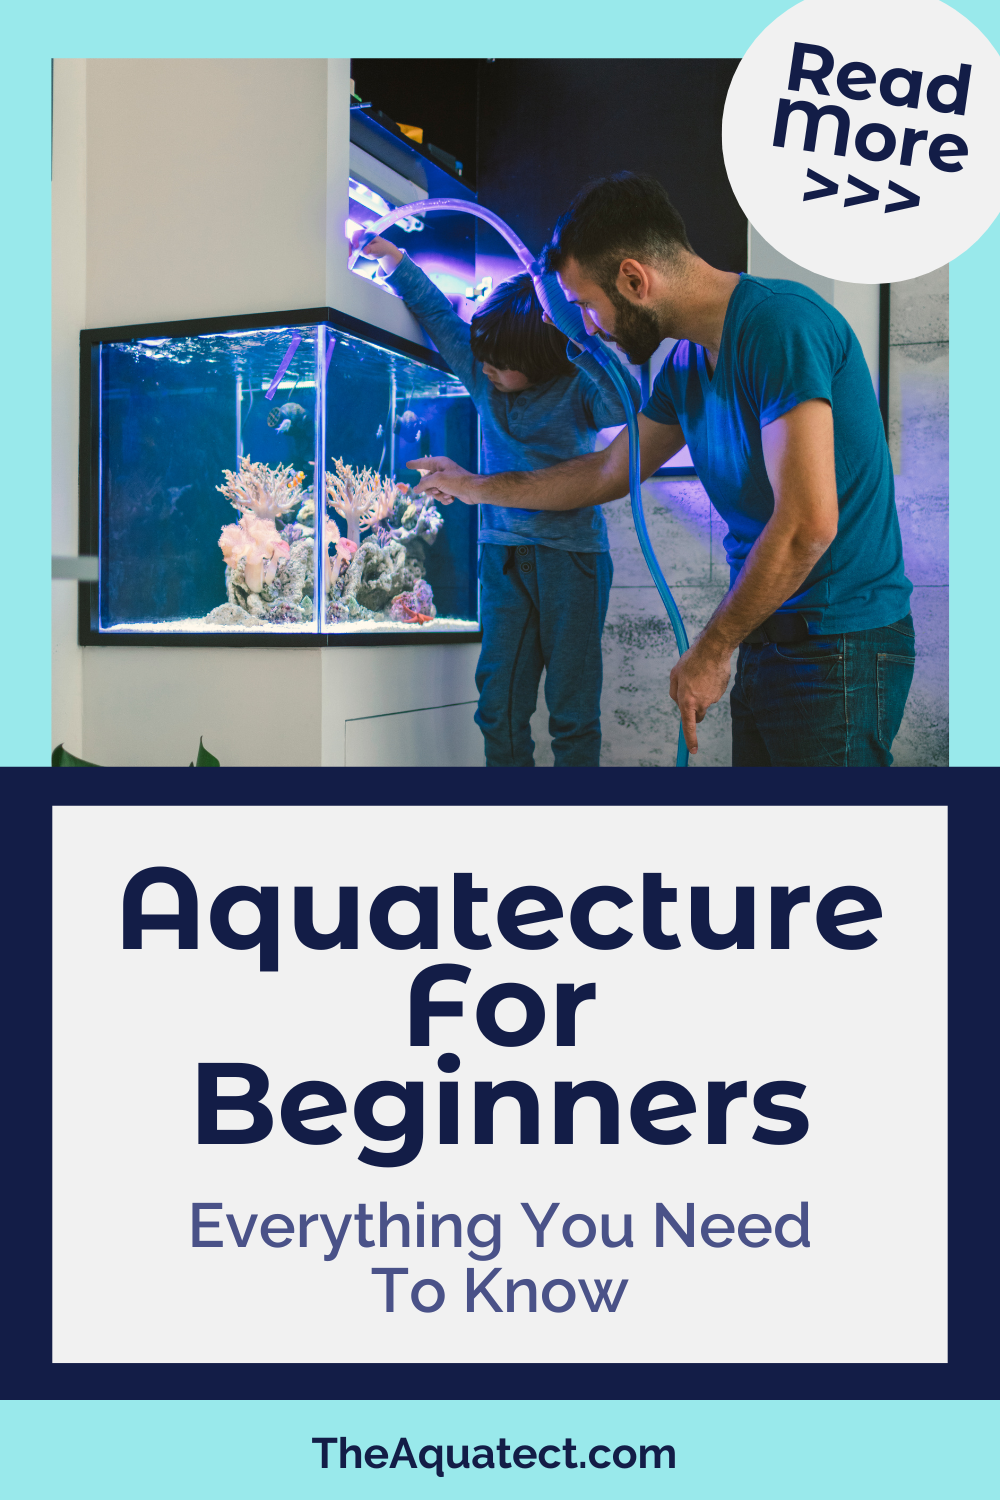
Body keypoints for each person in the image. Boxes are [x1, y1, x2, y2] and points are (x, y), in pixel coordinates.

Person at [409, 173, 915, 768]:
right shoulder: (685, 368)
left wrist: (712, 648)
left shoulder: (780, 327)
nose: (588, 326)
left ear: (633, 279)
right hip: (765, 638)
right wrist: (472, 486)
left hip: (838, 647)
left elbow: (807, 524)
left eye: (586, 307)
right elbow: (605, 473)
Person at [352, 230, 639, 767]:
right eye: (482, 357)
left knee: (572, 713)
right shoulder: (486, 374)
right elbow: (441, 319)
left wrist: (578, 335)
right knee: (498, 707)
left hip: (571, 559)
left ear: (542, 358)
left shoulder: (577, 388)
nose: (483, 368)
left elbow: (629, 402)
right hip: (501, 557)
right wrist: (396, 262)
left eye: (500, 363)